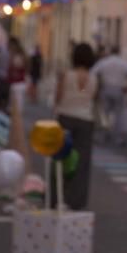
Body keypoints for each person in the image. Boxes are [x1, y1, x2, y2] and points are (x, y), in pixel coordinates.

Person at [52, 42, 98, 210]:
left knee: (61, 158)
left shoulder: (66, 75)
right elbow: (91, 98)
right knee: (81, 161)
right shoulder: (94, 78)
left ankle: (57, 196)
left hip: (65, 117)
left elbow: (58, 96)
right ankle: (76, 200)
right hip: (85, 119)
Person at [90, 46, 127, 144]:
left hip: (106, 88)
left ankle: (102, 135)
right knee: (118, 114)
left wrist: (98, 84)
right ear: (119, 52)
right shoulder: (124, 63)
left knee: (104, 113)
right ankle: (118, 138)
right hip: (119, 89)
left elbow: (93, 72)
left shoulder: (104, 62)